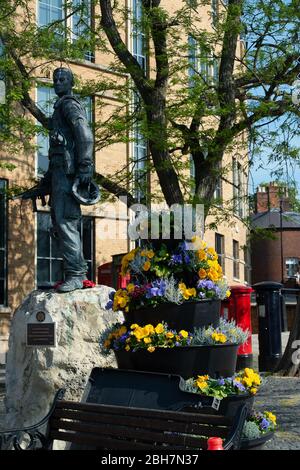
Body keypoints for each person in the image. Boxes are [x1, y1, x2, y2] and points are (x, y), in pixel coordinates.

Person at [41, 67, 94, 292]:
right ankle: (72, 272)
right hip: (59, 174)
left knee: (66, 222)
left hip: (68, 175)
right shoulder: (59, 109)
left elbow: (85, 134)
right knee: (59, 224)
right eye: (55, 79)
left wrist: (85, 166)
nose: (58, 82)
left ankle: (76, 274)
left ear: (71, 82)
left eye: (63, 79)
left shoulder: (69, 104)